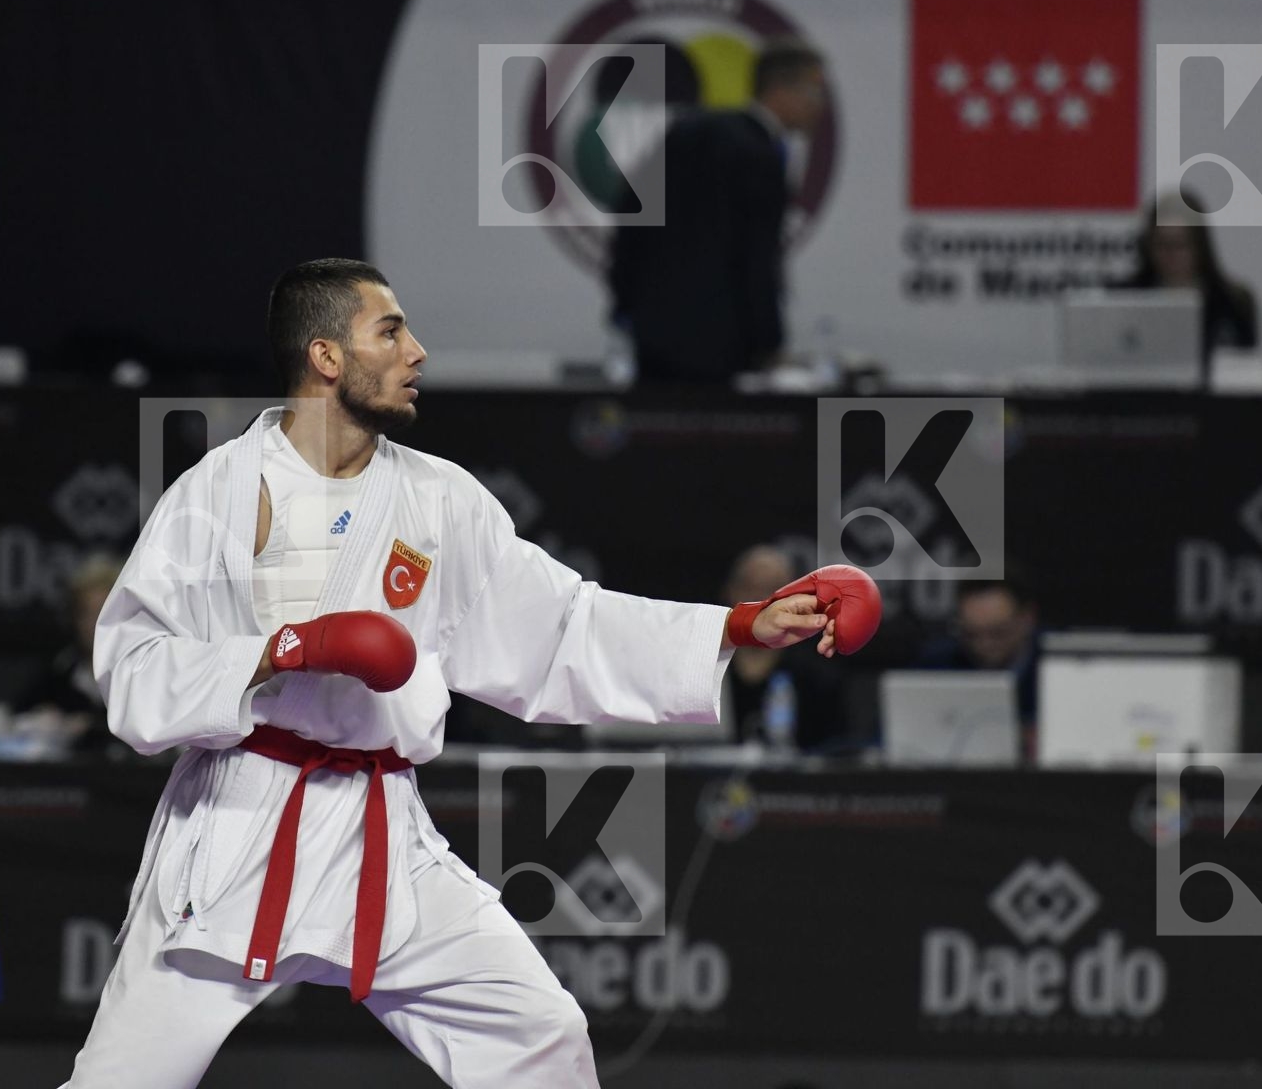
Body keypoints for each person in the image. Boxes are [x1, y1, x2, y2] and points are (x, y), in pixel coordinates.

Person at [60, 258, 868, 1088]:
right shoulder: (216, 494)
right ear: (326, 356)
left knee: (541, 1035)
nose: (418, 352)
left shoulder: (439, 501)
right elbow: (133, 668)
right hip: (236, 826)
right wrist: (280, 652)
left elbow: (565, 625)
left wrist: (738, 626)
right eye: (391, 331)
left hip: (377, 827)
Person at [606, 38, 828, 385]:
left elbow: (629, 220)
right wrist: (770, 343)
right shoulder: (760, 154)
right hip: (720, 350)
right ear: (780, 90)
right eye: (814, 94)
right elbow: (757, 258)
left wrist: (626, 305)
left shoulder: (682, 132)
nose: (820, 107)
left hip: (653, 342)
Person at [719, 544, 851, 752]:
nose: (760, 600)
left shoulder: (817, 672)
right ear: (729, 590)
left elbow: (838, 751)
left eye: (772, 589)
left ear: (795, 598)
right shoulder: (705, 665)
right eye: (749, 586)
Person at [1117, 190, 1259, 358]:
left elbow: (1246, 370)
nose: (1170, 254)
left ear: (1200, 246)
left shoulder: (1232, 303)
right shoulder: (1124, 300)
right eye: (1162, 244)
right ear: (1148, 246)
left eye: (1180, 244)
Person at [11, 553, 124, 753]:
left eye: (102, 611)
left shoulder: (142, 671)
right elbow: (18, 717)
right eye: (86, 614)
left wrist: (92, 725)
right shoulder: (60, 671)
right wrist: (49, 723)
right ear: (73, 618)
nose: (94, 624)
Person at [916, 574, 1042, 726]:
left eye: (998, 633)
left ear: (1028, 619)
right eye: (971, 634)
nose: (984, 645)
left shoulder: (1059, 666)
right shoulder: (936, 665)